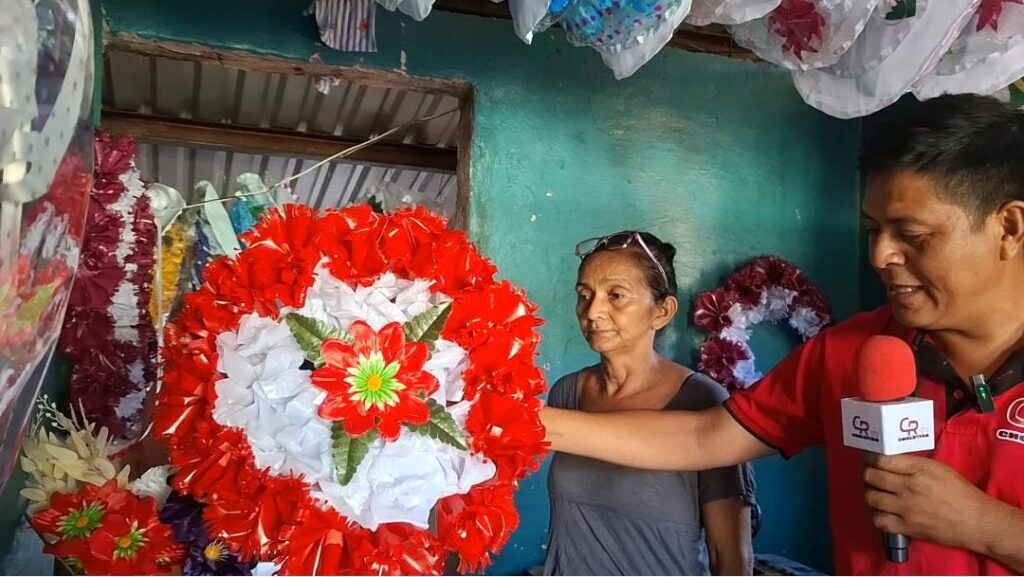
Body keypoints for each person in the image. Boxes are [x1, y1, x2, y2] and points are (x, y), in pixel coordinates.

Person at [541, 94, 1024, 576]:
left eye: (913, 235)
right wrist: (514, 422)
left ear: (1010, 227)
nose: (880, 257)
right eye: (874, 231)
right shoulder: (847, 351)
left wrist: (985, 525)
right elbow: (704, 437)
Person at [544, 230, 755, 576]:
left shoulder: (702, 401)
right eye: (584, 295)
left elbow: (730, 556)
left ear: (662, 311)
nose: (593, 311)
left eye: (616, 296)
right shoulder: (567, 394)